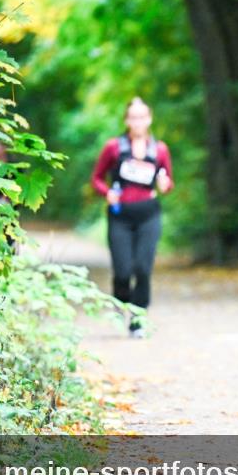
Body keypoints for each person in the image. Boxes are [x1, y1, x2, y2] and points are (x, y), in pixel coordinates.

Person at [91, 97, 174, 338]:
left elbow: (168, 182)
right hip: (120, 216)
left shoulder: (159, 150)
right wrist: (107, 193)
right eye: (133, 117)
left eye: (142, 117)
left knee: (143, 269)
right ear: (127, 120)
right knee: (123, 271)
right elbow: (96, 179)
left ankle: (138, 321)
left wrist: (165, 184)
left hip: (148, 214)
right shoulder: (113, 148)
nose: (138, 122)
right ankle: (121, 301)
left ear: (149, 119)